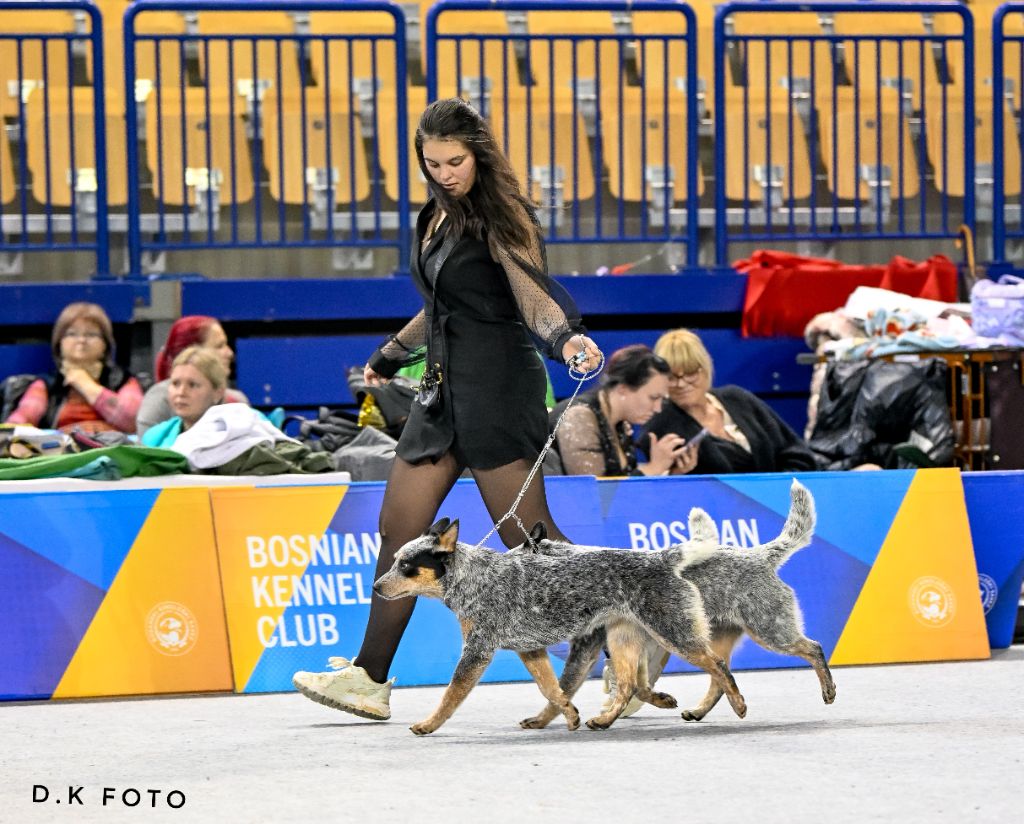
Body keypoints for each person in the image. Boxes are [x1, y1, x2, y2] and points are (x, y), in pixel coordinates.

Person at [292, 97, 602, 721]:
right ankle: (369, 679)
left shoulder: (501, 213)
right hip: (441, 392)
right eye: (432, 163)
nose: (444, 173)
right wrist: (391, 353)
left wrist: (565, 338)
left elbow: (531, 297)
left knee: (533, 545)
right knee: (399, 533)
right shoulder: (432, 215)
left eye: (454, 161)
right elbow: (440, 305)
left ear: (477, 153)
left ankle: (629, 629)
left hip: (497, 390)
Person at [642, 328, 818, 474]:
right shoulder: (659, 424)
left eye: (690, 373)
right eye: (672, 377)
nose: (681, 384)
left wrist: (779, 490)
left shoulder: (737, 398)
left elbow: (796, 453)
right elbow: (663, 491)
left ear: (706, 368)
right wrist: (676, 475)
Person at [554, 344, 696, 476]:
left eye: (662, 400)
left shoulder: (619, 422)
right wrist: (653, 468)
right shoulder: (579, 418)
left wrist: (671, 472)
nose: (658, 409)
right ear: (622, 389)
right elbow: (592, 494)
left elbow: (624, 481)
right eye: (653, 398)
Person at [4, 301, 143, 434]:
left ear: (105, 345)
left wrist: (86, 384)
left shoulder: (123, 380)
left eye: (91, 334)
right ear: (60, 343)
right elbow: (24, 417)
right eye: (72, 334)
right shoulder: (47, 384)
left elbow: (134, 421)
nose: (81, 340)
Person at [136, 315, 247, 436]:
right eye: (219, 346)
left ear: (218, 392)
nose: (229, 353)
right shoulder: (157, 405)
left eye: (192, 385)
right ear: (191, 353)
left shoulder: (238, 404)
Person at [141, 346, 227, 448]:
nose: (181, 392)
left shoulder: (233, 438)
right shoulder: (154, 438)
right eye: (175, 384)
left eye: (192, 385)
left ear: (218, 393)